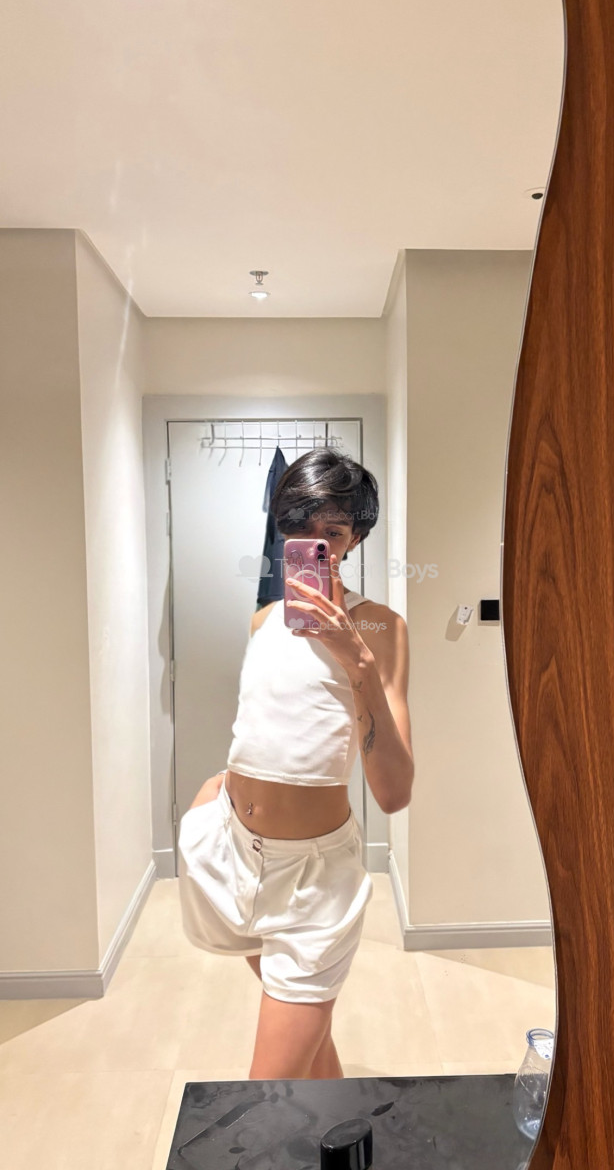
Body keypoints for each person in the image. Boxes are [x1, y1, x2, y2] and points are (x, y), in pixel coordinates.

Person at [177, 448, 414, 1080]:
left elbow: (394, 792)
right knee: (310, 1052)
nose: (316, 546)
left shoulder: (381, 628)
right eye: (300, 530)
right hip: (231, 853)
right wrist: (213, 796)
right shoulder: (263, 621)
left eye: (333, 531)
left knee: (267, 1094)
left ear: (356, 539)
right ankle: (342, 1126)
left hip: (313, 882)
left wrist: (356, 660)